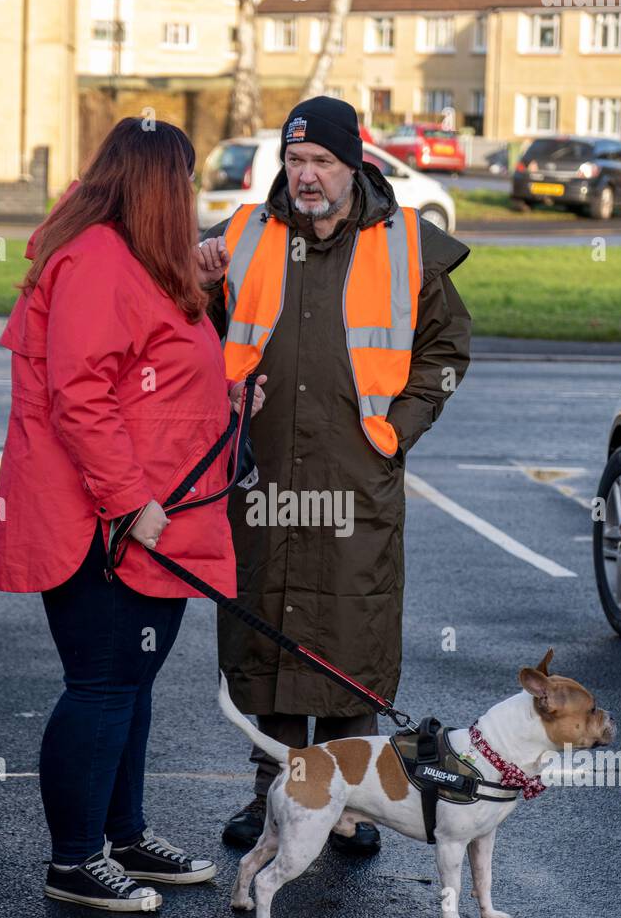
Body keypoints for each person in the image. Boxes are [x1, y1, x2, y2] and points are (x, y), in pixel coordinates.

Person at [0, 118, 265, 912]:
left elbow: (152, 367)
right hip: (102, 525)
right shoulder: (98, 259)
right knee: (103, 684)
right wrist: (129, 502)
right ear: (154, 185)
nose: (189, 195)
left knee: (130, 684)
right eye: (182, 179)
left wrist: (217, 356)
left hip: (148, 514)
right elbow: (80, 395)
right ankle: (74, 860)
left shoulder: (136, 257)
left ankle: (125, 834)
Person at [197, 96, 472, 855]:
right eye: (295, 160)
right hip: (263, 472)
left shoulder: (409, 242)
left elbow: (446, 352)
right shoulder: (244, 233)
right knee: (265, 625)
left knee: (352, 631)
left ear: (355, 165)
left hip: (359, 476)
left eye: (321, 160)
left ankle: (350, 803)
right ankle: (272, 796)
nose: (306, 175)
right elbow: (192, 325)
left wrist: (398, 431)